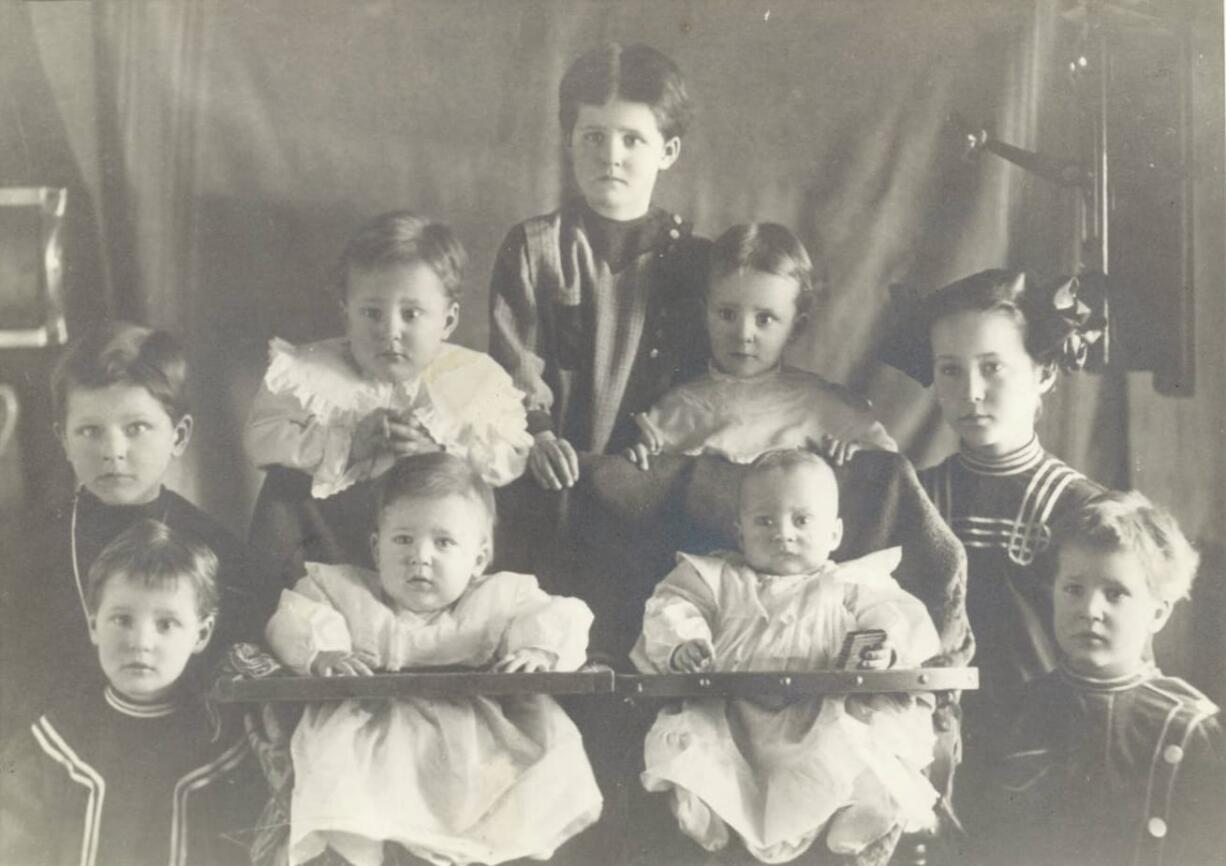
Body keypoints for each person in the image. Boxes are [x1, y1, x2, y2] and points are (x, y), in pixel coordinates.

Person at [264, 453, 602, 866]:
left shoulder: (497, 600)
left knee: (508, 795)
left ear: (478, 560)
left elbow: (557, 616)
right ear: (376, 547)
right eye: (403, 539)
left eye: (443, 542)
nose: (419, 556)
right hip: (374, 733)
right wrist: (324, 652)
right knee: (346, 794)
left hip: (474, 737)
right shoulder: (348, 593)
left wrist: (537, 649)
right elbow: (298, 614)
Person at [632, 450, 942, 865]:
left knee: (855, 746)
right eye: (764, 521)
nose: (783, 534)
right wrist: (684, 643)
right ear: (740, 534)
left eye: (801, 520)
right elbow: (672, 606)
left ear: (834, 535)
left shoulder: (849, 584)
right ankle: (705, 807)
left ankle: (861, 811)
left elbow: (894, 617)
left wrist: (882, 647)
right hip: (733, 715)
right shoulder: (718, 578)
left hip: (822, 711)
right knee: (697, 744)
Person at [0, 321, 280, 739]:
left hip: (184, 747)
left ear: (179, 435)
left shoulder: (219, 551)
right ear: (63, 440)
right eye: (90, 431)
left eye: (136, 428)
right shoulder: (27, 549)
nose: (113, 451)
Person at [881, 270, 1104, 752]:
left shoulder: (1085, 510)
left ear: (1043, 372)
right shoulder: (915, 496)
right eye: (951, 370)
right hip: (926, 745)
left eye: (993, 367)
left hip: (1045, 751)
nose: (971, 392)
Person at [489, 42, 710, 491]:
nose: (610, 155)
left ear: (667, 151)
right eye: (593, 136)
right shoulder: (534, 246)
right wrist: (539, 434)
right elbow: (515, 362)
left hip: (649, 479)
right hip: (547, 469)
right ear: (569, 140)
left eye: (632, 139)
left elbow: (708, 382)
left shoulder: (695, 261)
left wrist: (670, 435)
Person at [975, 491, 1224, 866]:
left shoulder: (1189, 726)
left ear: (1158, 613)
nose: (1090, 610)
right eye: (1074, 589)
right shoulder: (1013, 711)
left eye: (1116, 593)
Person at [0, 520, 268, 866]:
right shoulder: (51, 745)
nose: (140, 643)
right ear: (94, 624)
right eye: (122, 620)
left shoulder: (225, 748)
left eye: (166, 624)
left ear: (201, 634)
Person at [246, 210, 532, 497]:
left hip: (427, 526)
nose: (390, 331)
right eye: (371, 313)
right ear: (347, 313)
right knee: (284, 489)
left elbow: (511, 457)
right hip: (333, 520)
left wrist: (439, 455)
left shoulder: (474, 377)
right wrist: (349, 445)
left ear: (447, 321)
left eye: (411, 314)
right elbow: (261, 440)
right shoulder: (309, 373)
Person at [624, 222, 895, 470]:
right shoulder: (677, 408)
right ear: (704, 314)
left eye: (764, 319)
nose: (743, 334)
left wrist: (857, 452)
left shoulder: (821, 404)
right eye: (727, 314)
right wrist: (638, 459)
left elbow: (889, 464)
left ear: (795, 327)